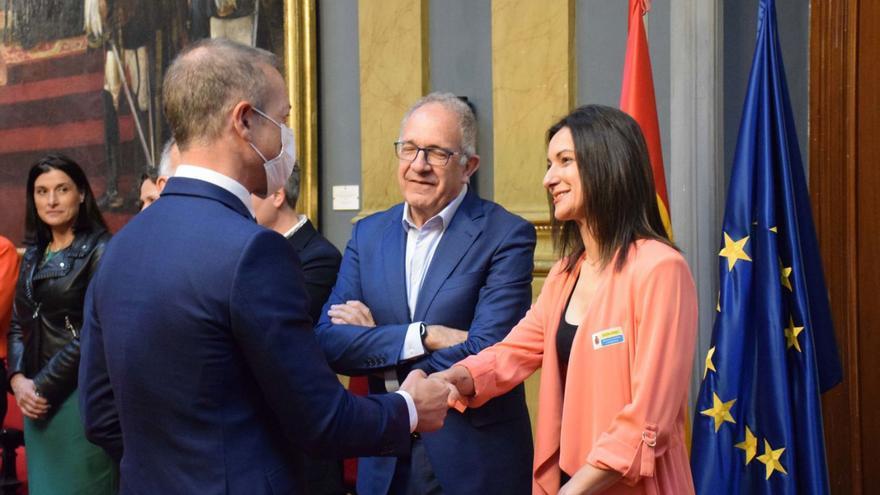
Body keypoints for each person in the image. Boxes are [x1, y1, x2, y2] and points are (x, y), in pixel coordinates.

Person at [77, 38, 451, 494]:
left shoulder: (122, 246)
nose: (286, 136)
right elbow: (321, 419)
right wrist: (410, 406)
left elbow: (99, 416)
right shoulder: (254, 251)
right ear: (246, 121)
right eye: (284, 119)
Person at [433, 105, 698, 495]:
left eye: (564, 162)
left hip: (632, 484)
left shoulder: (661, 269)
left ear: (608, 164)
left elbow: (648, 416)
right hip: (571, 481)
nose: (548, 179)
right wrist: (457, 378)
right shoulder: (565, 272)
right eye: (548, 164)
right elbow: (513, 352)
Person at [315, 92, 535, 495]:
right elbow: (329, 342)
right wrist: (422, 334)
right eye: (410, 149)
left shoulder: (506, 235)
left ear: (469, 165)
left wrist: (377, 341)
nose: (418, 165)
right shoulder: (368, 234)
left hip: (472, 460)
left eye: (436, 153)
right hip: (385, 459)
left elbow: (489, 348)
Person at [6, 154, 116, 495]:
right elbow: (17, 321)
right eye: (41, 191)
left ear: (81, 194)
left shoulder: (102, 249)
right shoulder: (36, 252)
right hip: (34, 400)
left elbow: (93, 331)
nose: (51, 200)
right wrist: (18, 379)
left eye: (61, 189)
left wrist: (43, 387)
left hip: (78, 397)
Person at [251, 166, 344, 494]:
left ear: (277, 195)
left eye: (251, 190)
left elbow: (270, 330)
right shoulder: (253, 248)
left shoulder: (320, 257)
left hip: (305, 427)